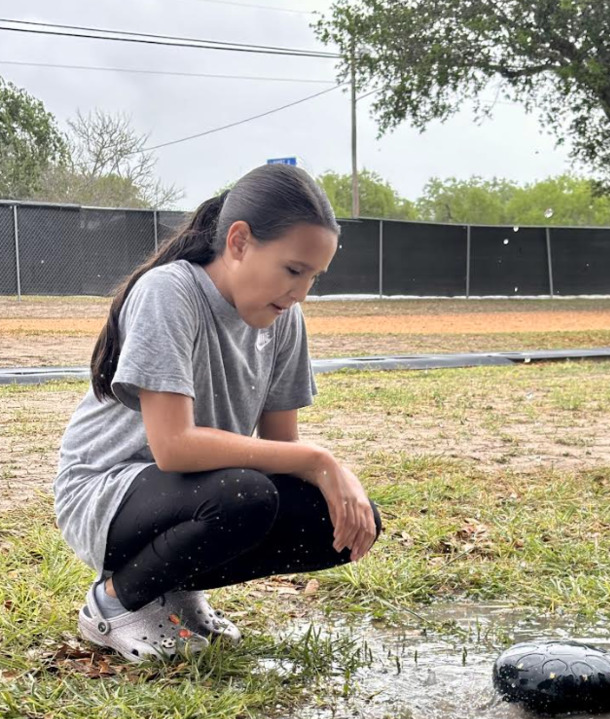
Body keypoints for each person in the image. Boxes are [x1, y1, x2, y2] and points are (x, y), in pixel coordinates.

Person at [53, 163, 381, 665]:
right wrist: (320, 460)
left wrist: (324, 471)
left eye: (314, 276)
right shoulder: (170, 291)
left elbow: (281, 448)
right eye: (294, 270)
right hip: (106, 492)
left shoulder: (284, 318)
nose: (301, 293)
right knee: (244, 494)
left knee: (339, 522)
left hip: (197, 492)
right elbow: (174, 447)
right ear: (240, 241)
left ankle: (174, 591)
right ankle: (114, 604)